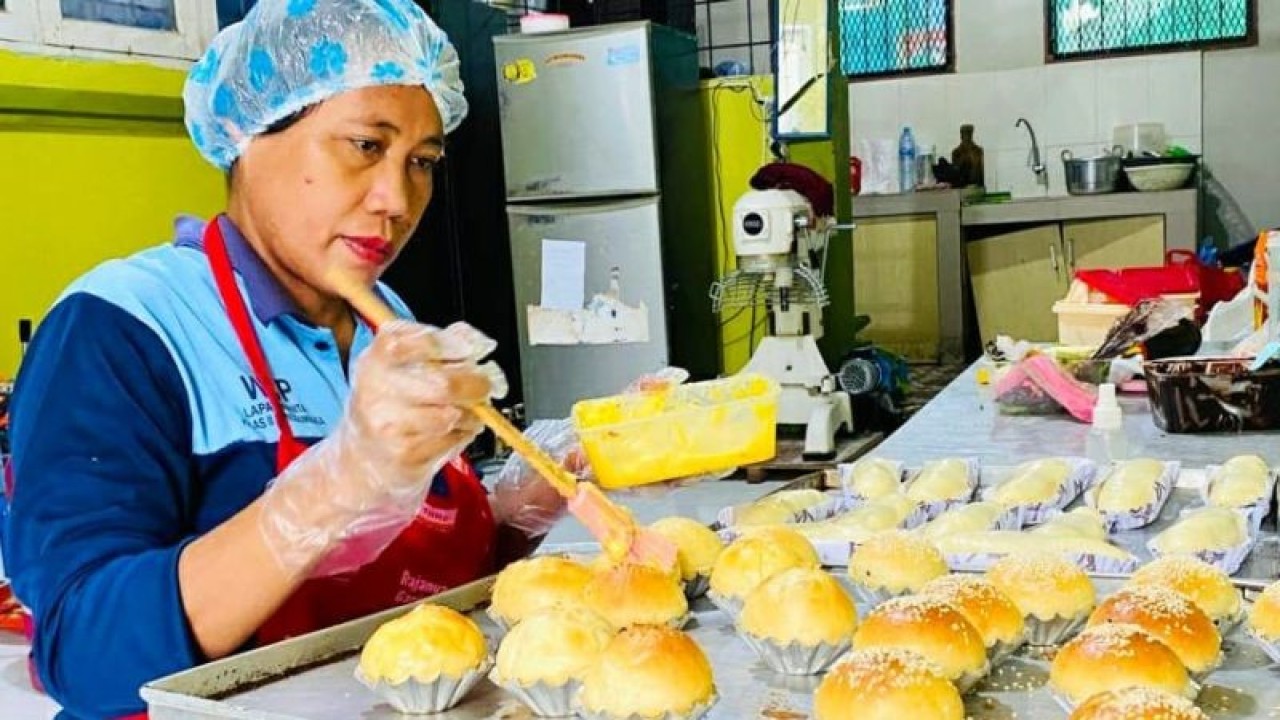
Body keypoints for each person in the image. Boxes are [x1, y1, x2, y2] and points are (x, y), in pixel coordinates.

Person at [0, 1, 574, 717]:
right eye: (365, 145)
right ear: (249, 136)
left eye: (422, 162)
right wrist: (333, 487)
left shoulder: (389, 321)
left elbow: (411, 595)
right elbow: (81, 654)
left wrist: (514, 516)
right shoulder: (123, 328)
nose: (397, 199)